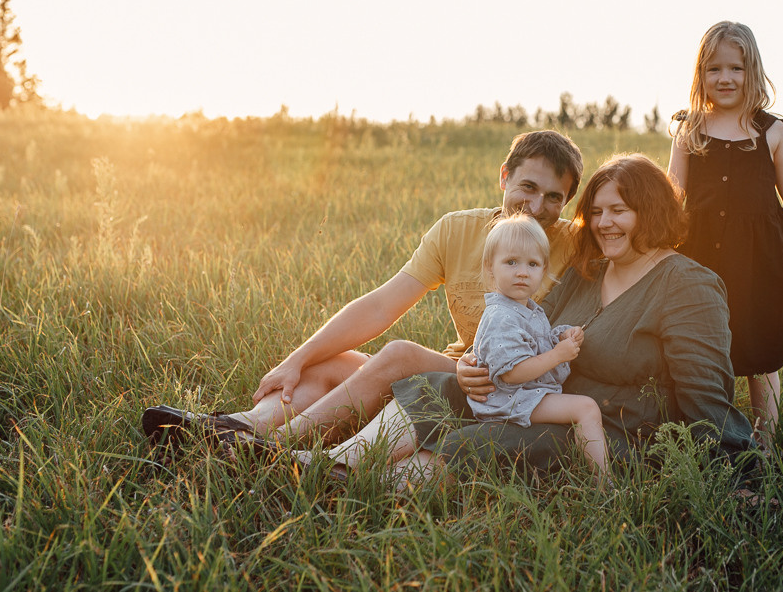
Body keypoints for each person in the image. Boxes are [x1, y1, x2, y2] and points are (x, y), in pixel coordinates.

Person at [300, 154, 757, 489]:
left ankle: (363, 491)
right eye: (596, 212)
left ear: (652, 211)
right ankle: (336, 465)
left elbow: (707, 395)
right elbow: (526, 331)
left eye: (619, 210)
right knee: (438, 387)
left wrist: (736, 476)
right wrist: (472, 367)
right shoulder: (587, 271)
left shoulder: (687, 285)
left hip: (614, 434)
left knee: (477, 441)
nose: (604, 223)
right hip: (541, 398)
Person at [142, 130, 583, 450]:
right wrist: (295, 361)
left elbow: (634, 234)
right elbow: (381, 306)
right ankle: (233, 425)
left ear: (566, 203)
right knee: (331, 362)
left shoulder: (574, 243)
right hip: (461, 369)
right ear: (504, 176)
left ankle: (267, 448)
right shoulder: (456, 229)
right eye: (528, 187)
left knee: (401, 355)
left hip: (504, 391)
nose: (537, 206)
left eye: (554, 197)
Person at [667, 20, 783, 451]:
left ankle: (764, 445)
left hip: (759, 257)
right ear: (700, 75)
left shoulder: (770, 131)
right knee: (704, 348)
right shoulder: (688, 130)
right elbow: (673, 192)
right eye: (714, 69)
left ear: (753, 72)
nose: (725, 78)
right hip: (701, 254)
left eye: (736, 68)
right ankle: (710, 437)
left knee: (759, 351)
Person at [468, 213, 607, 478]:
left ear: (543, 270)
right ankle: (605, 485)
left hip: (526, 393)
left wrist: (561, 337)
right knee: (585, 408)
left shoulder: (527, 309)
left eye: (532, 264)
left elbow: (534, 343)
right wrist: (557, 356)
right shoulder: (501, 316)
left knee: (581, 408)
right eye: (511, 262)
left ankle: (587, 469)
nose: (522, 272)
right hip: (508, 398)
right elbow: (513, 372)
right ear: (490, 266)